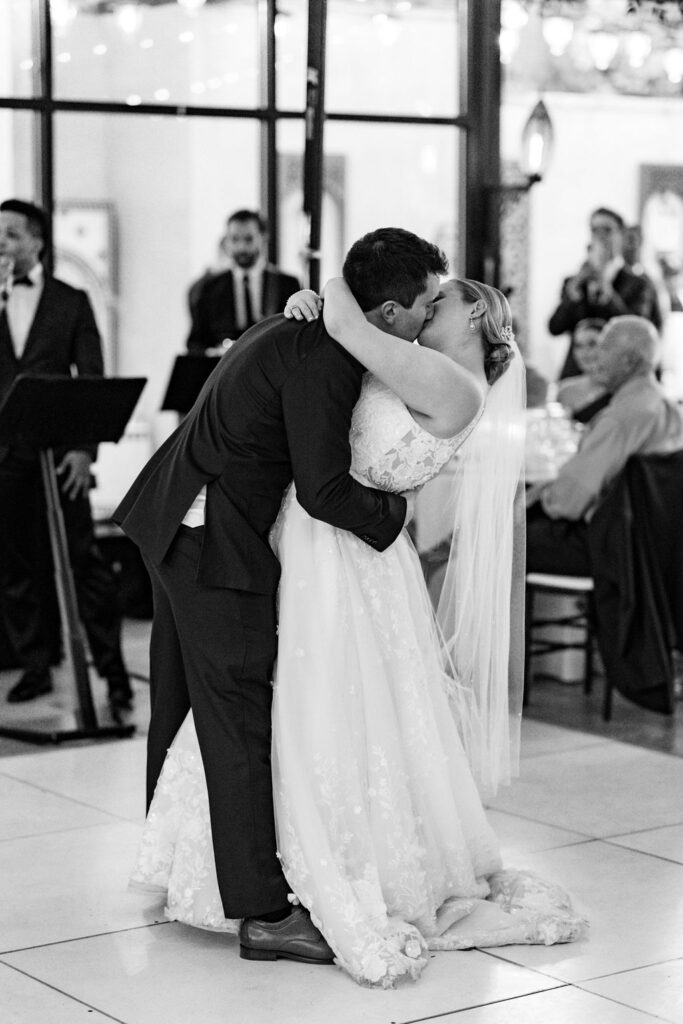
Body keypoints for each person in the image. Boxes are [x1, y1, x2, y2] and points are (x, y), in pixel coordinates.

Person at [127, 264, 586, 987]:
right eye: (424, 296)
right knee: (282, 703)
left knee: (310, 705)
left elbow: (345, 326)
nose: (427, 306)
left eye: (441, 300)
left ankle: (314, 870)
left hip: (343, 547)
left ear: (473, 319)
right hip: (314, 539)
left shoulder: (451, 384)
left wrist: (324, 293)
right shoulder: (415, 365)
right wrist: (314, 300)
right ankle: (232, 868)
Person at [115, 228, 447, 967]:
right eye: (425, 306)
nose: (429, 320)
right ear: (389, 312)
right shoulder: (323, 353)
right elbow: (327, 490)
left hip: (171, 509)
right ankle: (263, 914)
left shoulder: (304, 323)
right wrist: (397, 518)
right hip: (212, 538)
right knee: (238, 718)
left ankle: (179, 862)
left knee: (182, 699)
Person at [0, 198, 133, 717]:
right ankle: (36, 664)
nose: (1, 243)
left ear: (36, 241)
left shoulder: (71, 301)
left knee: (85, 566)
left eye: (10, 234)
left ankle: (114, 674)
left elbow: (93, 380)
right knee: (13, 566)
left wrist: (83, 451)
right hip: (5, 454)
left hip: (60, 457)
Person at [527, 315, 683, 577]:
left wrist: (536, 498)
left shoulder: (621, 418)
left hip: (616, 548)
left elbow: (570, 501)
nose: (596, 356)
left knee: (504, 537)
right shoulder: (669, 408)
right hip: (659, 546)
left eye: (605, 348)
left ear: (628, 361)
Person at [548, 207, 662, 379]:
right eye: (595, 230)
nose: (600, 236)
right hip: (576, 377)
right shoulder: (576, 281)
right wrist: (573, 292)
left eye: (607, 230)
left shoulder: (639, 284)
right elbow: (555, 327)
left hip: (618, 379)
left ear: (621, 235)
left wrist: (606, 289)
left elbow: (638, 331)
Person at [185, 209, 301, 354]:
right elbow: (195, 342)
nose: (241, 248)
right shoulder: (209, 288)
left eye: (248, 239)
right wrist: (213, 352)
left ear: (263, 238)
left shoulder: (287, 284)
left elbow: (298, 337)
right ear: (227, 241)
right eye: (235, 239)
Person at [555, 317, 609, 421]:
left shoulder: (619, 389)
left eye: (592, 344)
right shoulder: (565, 391)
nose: (584, 352)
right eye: (578, 346)